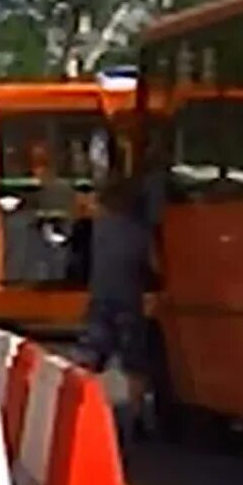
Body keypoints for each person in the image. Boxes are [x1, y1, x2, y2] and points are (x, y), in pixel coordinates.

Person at [78, 175, 155, 432]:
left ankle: (83, 409)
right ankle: (136, 415)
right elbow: (151, 267)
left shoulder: (100, 228)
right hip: (128, 302)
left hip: (101, 300)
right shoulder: (141, 234)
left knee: (91, 359)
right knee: (135, 363)